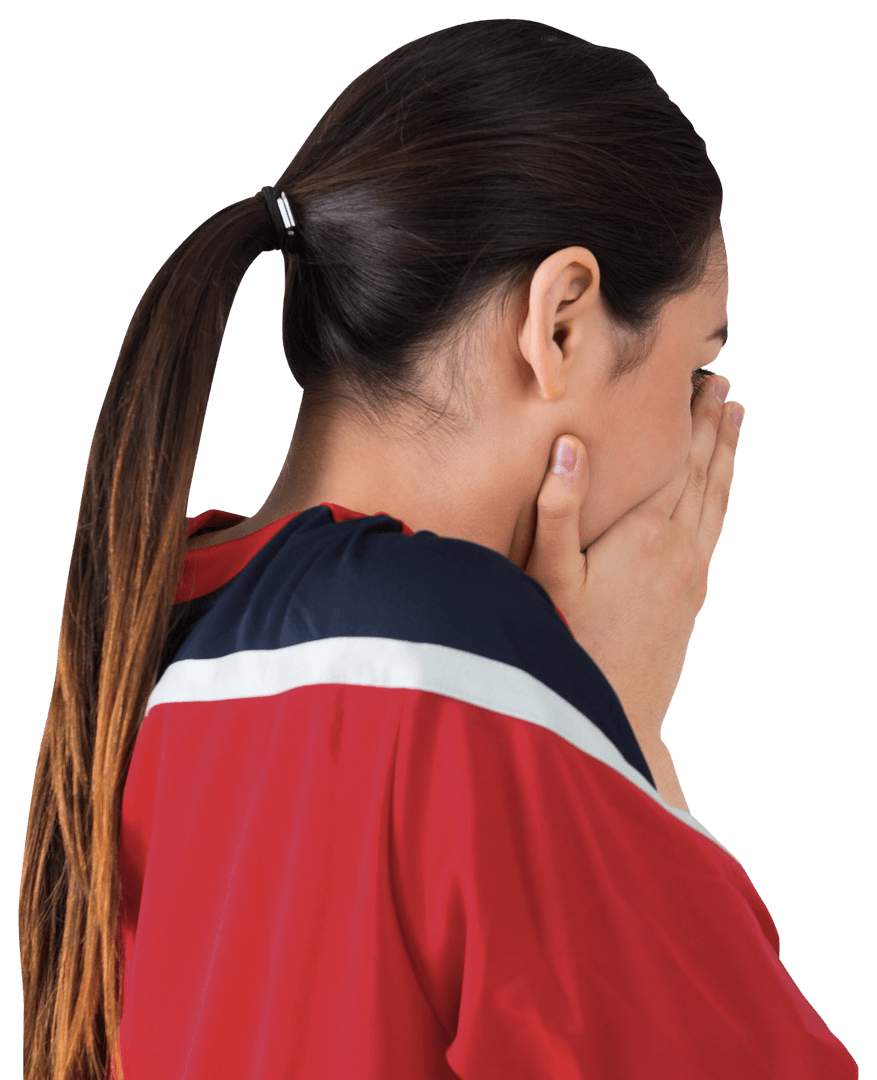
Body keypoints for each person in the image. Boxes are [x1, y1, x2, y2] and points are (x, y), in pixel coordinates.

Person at [19, 17, 857, 1080]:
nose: (699, 432)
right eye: (695, 370)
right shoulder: (470, 675)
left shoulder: (154, 635)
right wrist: (615, 744)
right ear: (562, 322)